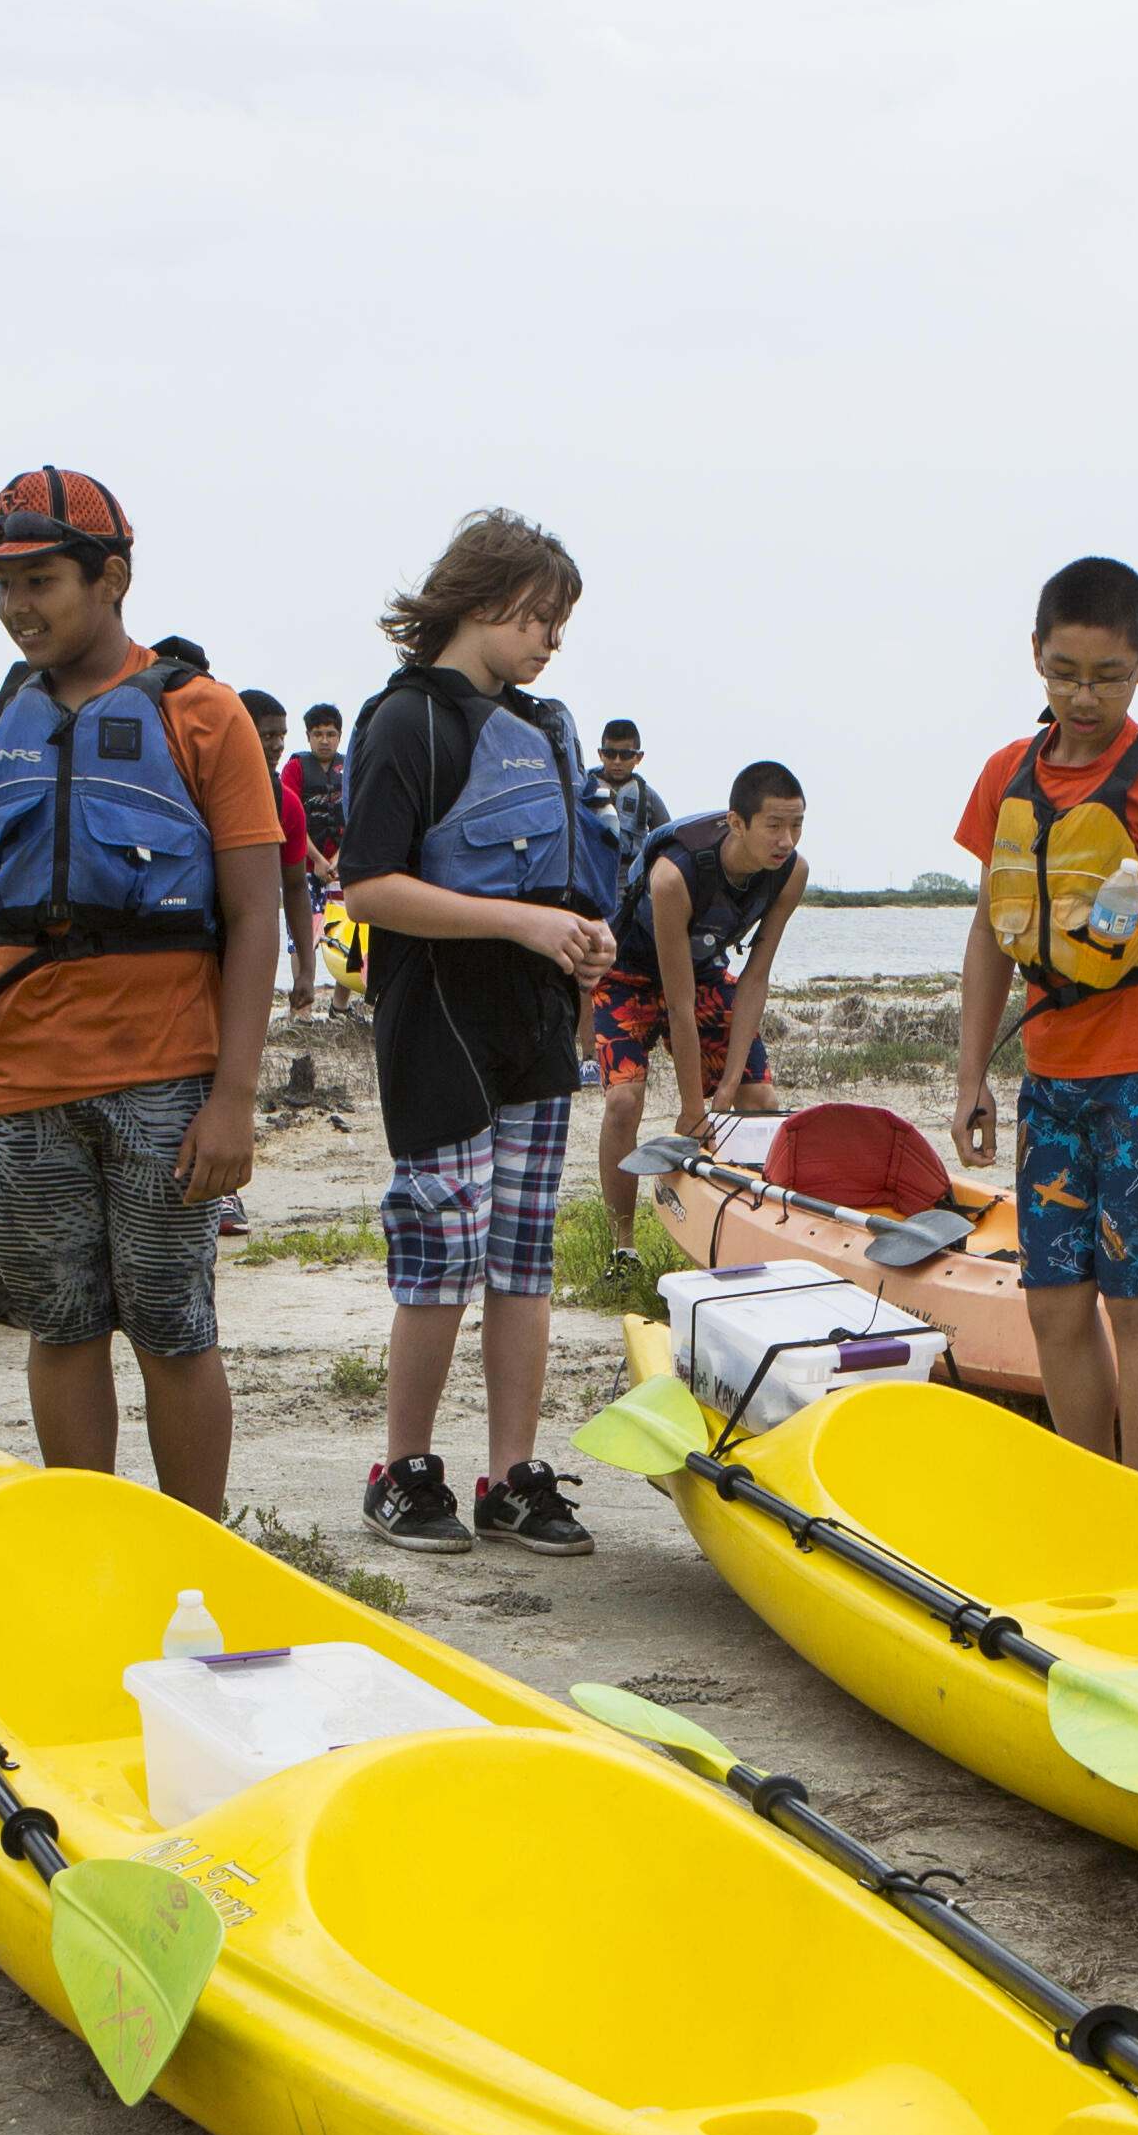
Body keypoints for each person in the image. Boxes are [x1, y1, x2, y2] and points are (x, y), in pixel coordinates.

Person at [0, 466, 279, 1514]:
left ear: (111, 577)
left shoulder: (205, 717)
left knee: (173, 1326)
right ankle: (93, 1540)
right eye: (3, 585)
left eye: (41, 580)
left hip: (166, 1086)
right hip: (18, 1083)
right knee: (61, 1325)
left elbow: (255, 916)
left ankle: (194, 1547)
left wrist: (236, 1097)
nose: (18, 607)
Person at [336, 512, 614, 1551]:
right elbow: (367, 886)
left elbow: (558, 877)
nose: (548, 639)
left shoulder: (542, 727)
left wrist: (580, 937)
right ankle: (403, 1469)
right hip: (438, 1018)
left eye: (559, 622)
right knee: (439, 1253)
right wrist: (519, 921)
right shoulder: (405, 722)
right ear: (478, 601)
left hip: (532, 1023)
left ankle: (512, 1474)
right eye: (537, 616)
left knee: (522, 1254)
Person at [951, 555, 1138, 1479]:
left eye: (1108, 677)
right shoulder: (1007, 774)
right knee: (1053, 1298)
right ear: (1036, 656)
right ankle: (1089, 1484)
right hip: (1051, 1084)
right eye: (1066, 674)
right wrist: (971, 1077)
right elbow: (988, 934)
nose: (1085, 697)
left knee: (1136, 1297)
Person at [592, 762, 807, 1250]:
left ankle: (745, 1235)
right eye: (773, 826)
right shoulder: (676, 876)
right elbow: (678, 1002)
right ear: (737, 823)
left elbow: (755, 977)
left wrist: (727, 1089)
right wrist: (694, 1108)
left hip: (706, 970)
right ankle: (621, 1244)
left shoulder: (792, 873)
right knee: (624, 1100)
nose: (786, 840)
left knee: (759, 1103)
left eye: (796, 826)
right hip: (629, 973)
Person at [276, 700, 351, 1014]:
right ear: (307, 736)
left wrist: (338, 859)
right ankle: (302, 1010)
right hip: (305, 867)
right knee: (303, 936)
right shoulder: (295, 768)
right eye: (318, 733)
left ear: (340, 735)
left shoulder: (351, 769)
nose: (324, 740)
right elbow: (291, 815)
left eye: (331, 734)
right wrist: (318, 859)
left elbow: (359, 814)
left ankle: (340, 1006)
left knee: (349, 936)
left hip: (343, 869)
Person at [581, 716, 669, 885]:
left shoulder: (647, 795)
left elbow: (667, 838)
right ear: (600, 754)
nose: (617, 761)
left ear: (638, 757)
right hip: (589, 874)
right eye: (610, 753)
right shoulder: (582, 788)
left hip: (630, 881)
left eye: (626, 755)